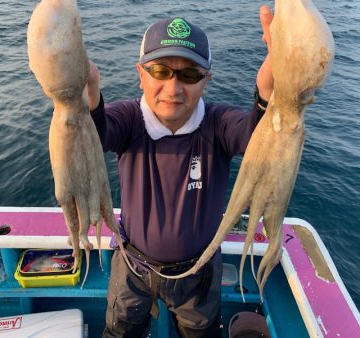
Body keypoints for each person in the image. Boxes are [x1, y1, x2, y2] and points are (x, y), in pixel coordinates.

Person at [87, 6, 274, 338]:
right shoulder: (130, 119)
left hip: (198, 275)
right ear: (140, 73)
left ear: (206, 81)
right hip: (132, 268)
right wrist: (85, 97)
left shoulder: (217, 124)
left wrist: (269, 96)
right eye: (160, 71)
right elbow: (95, 133)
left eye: (189, 75)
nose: (173, 89)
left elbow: (258, 139)